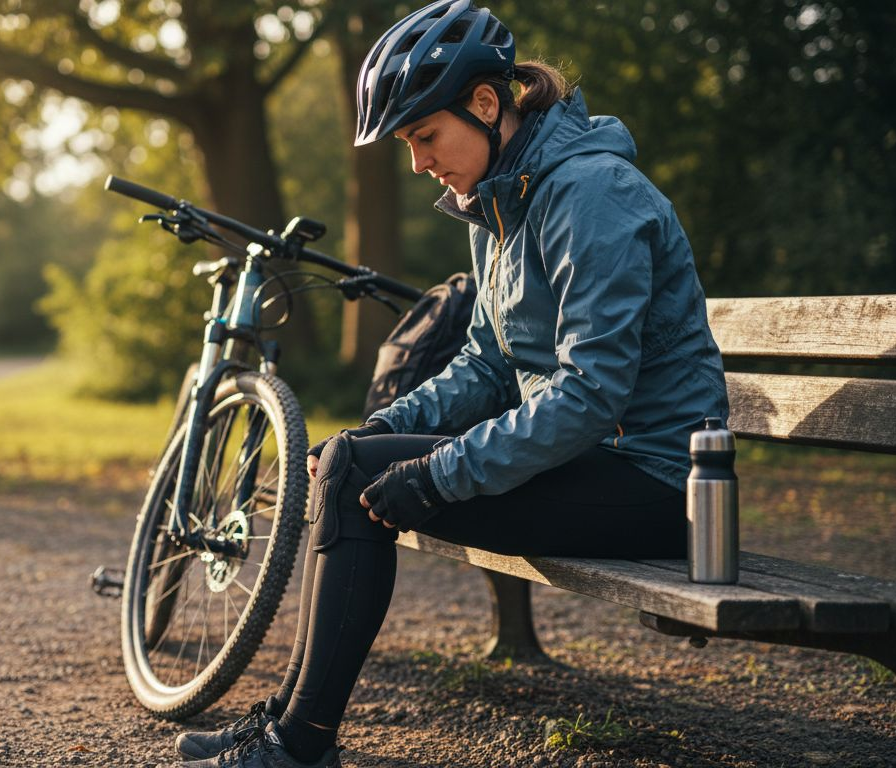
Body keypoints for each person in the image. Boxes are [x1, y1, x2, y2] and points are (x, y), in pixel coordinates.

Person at [163, 1, 728, 766]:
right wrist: (374, 435)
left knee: (364, 473)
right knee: (351, 462)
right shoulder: (498, 204)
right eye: (408, 144)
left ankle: (297, 745)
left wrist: (437, 475)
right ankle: (291, 728)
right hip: (592, 466)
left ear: (487, 104)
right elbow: (488, 365)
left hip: (658, 485)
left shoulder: (592, 194)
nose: (418, 162)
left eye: (425, 136)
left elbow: (592, 391)